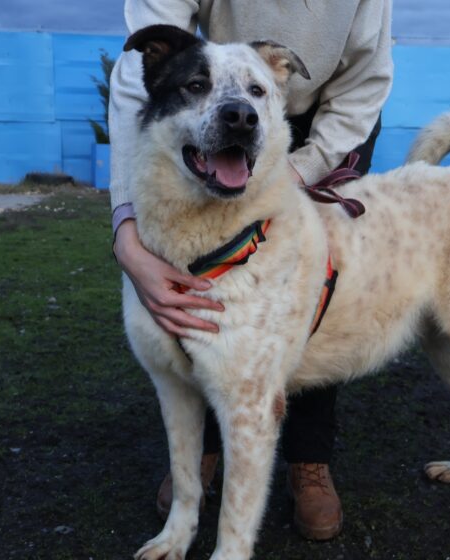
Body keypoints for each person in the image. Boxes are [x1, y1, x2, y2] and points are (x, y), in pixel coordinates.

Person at [108, 0, 393, 541]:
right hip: (212, 89)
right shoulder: (170, 83)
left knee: (311, 307)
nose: (234, 111)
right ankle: (204, 459)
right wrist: (125, 227)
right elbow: (133, 89)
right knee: (197, 343)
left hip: (318, 120)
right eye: (197, 87)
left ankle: (308, 460)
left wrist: (295, 171)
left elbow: (366, 78)